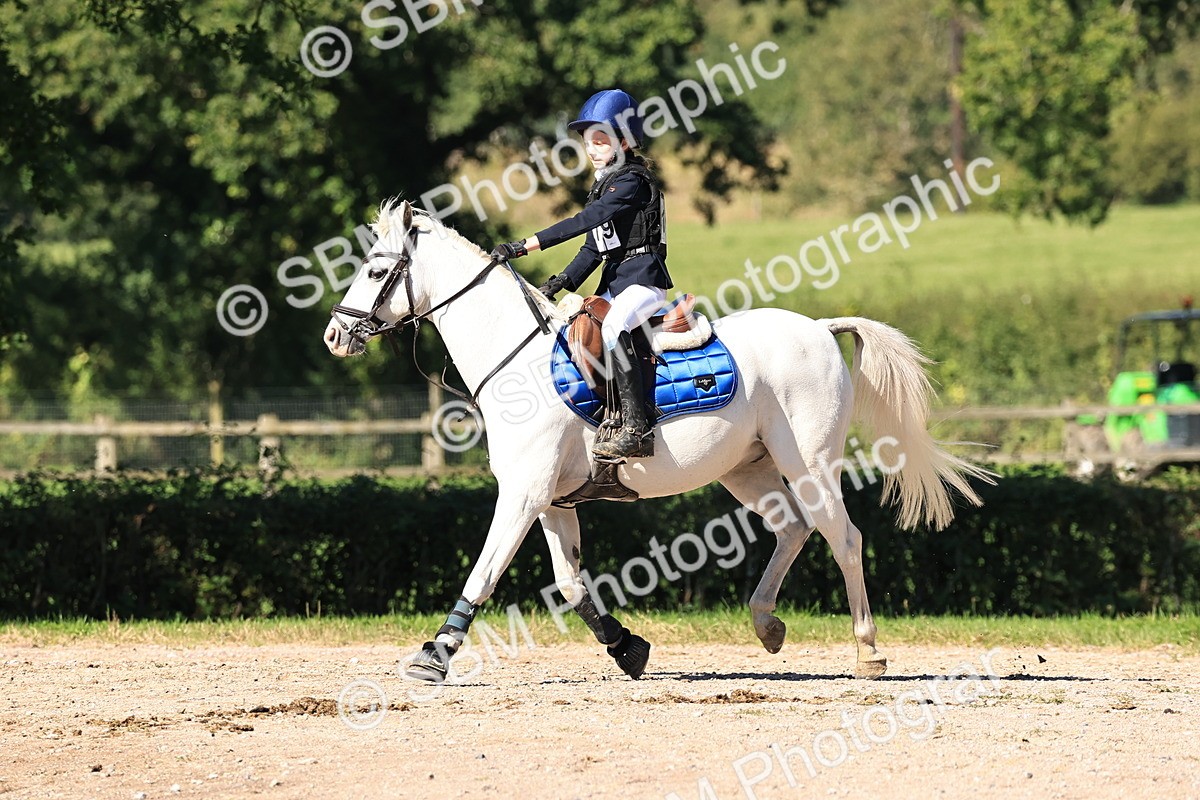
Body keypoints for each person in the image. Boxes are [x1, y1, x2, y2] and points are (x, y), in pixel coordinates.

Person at [492, 89, 671, 461]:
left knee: (614, 326)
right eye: (588, 141)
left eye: (601, 140)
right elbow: (593, 249)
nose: (591, 149)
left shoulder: (633, 182)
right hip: (615, 284)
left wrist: (524, 245)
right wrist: (556, 285)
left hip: (644, 282)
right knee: (569, 327)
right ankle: (597, 419)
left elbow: (583, 223)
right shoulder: (605, 185)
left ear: (624, 140)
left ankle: (637, 429)